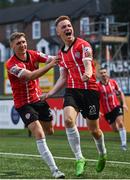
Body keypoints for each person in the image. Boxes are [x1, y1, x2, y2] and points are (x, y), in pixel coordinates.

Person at [41, 15, 107, 177]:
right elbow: (63, 78)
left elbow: (88, 64)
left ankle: (103, 153)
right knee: (69, 120)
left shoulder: (83, 45)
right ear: (58, 33)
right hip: (72, 91)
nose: (67, 28)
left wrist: (88, 73)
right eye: (63, 27)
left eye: (69, 25)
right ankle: (79, 158)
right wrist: (50, 93)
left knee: (94, 131)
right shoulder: (61, 55)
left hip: (90, 90)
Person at [5, 32, 65, 179]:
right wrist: (51, 65)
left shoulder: (34, 54)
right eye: (18, 43)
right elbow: (30, 76)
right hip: (23, 104)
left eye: (24, 42)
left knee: (50, 131)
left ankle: (39, 136)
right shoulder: (11, 64)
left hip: (39, 99)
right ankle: (55, 170)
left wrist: (63, 58)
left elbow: (52, 58)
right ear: (12, 46)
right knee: (39, 133)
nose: (22, 45)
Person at [97, 67, 128, 151]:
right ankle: (122, 133)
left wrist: (124, 103)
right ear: (99, 75)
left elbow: (120, 92)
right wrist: (98, 110)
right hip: (107, 111)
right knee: (114, 129)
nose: (103, 74)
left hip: (116, 106)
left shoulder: (113, 82)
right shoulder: (97, 86)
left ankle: (124, 144)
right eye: (101, 73)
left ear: (107, 73)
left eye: (104, 72)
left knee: (120, 123)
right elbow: (95, 99)